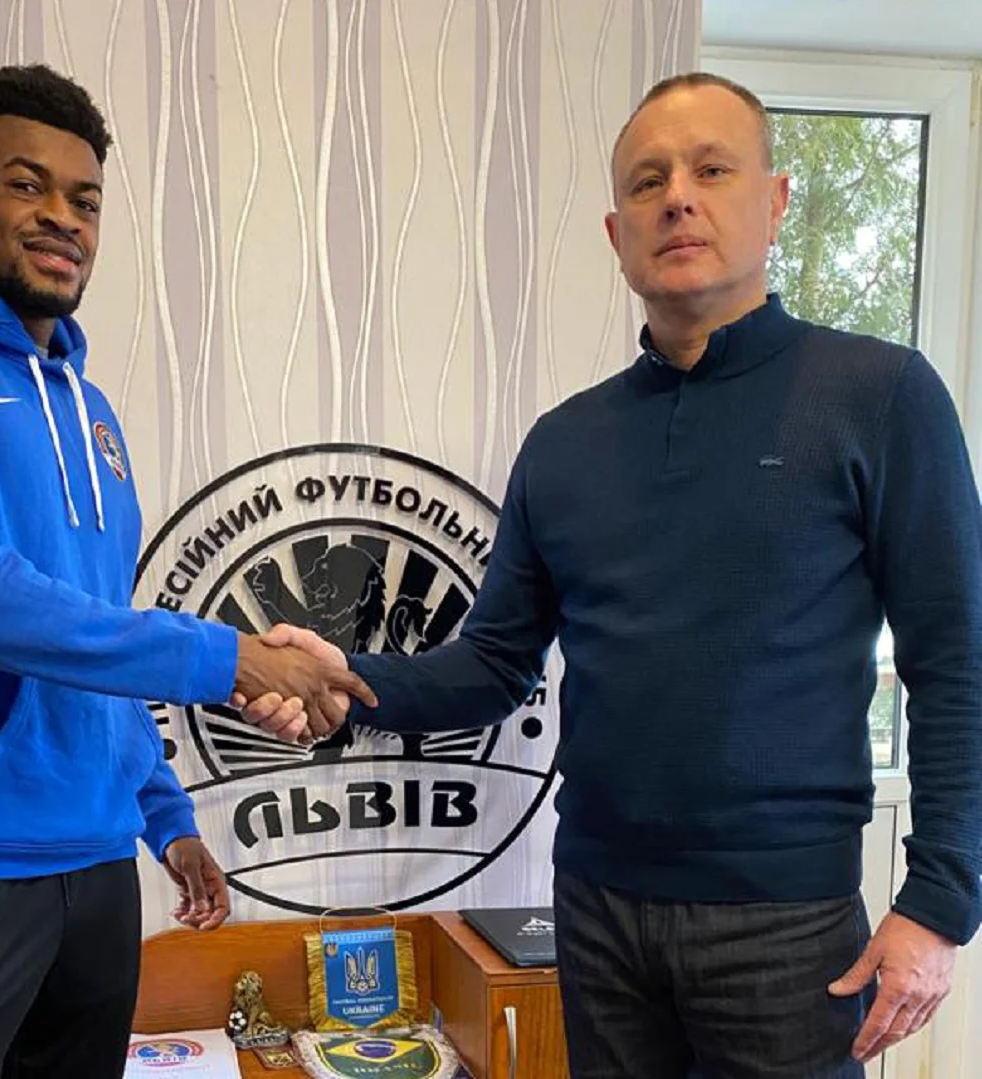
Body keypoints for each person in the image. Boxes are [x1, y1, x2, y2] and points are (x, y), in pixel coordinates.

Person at [240, 72, 982, 1078]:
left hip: (785, 925)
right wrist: (343, 678)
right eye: (647, 181)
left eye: (710, 169)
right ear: (615, 233)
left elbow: (953, 661)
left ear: (773, 202)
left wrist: (937, 899)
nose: (676, 198)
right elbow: (493, 664)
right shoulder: (564, 443)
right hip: (595, 914)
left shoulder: (879, 396)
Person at [0, 64, 372, 1079]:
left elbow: (88, 624)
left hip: (97, 866)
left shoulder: (88, 409)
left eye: (85, 199)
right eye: (27, 185)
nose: (62, 217)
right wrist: (233, 657)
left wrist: (162, 813)